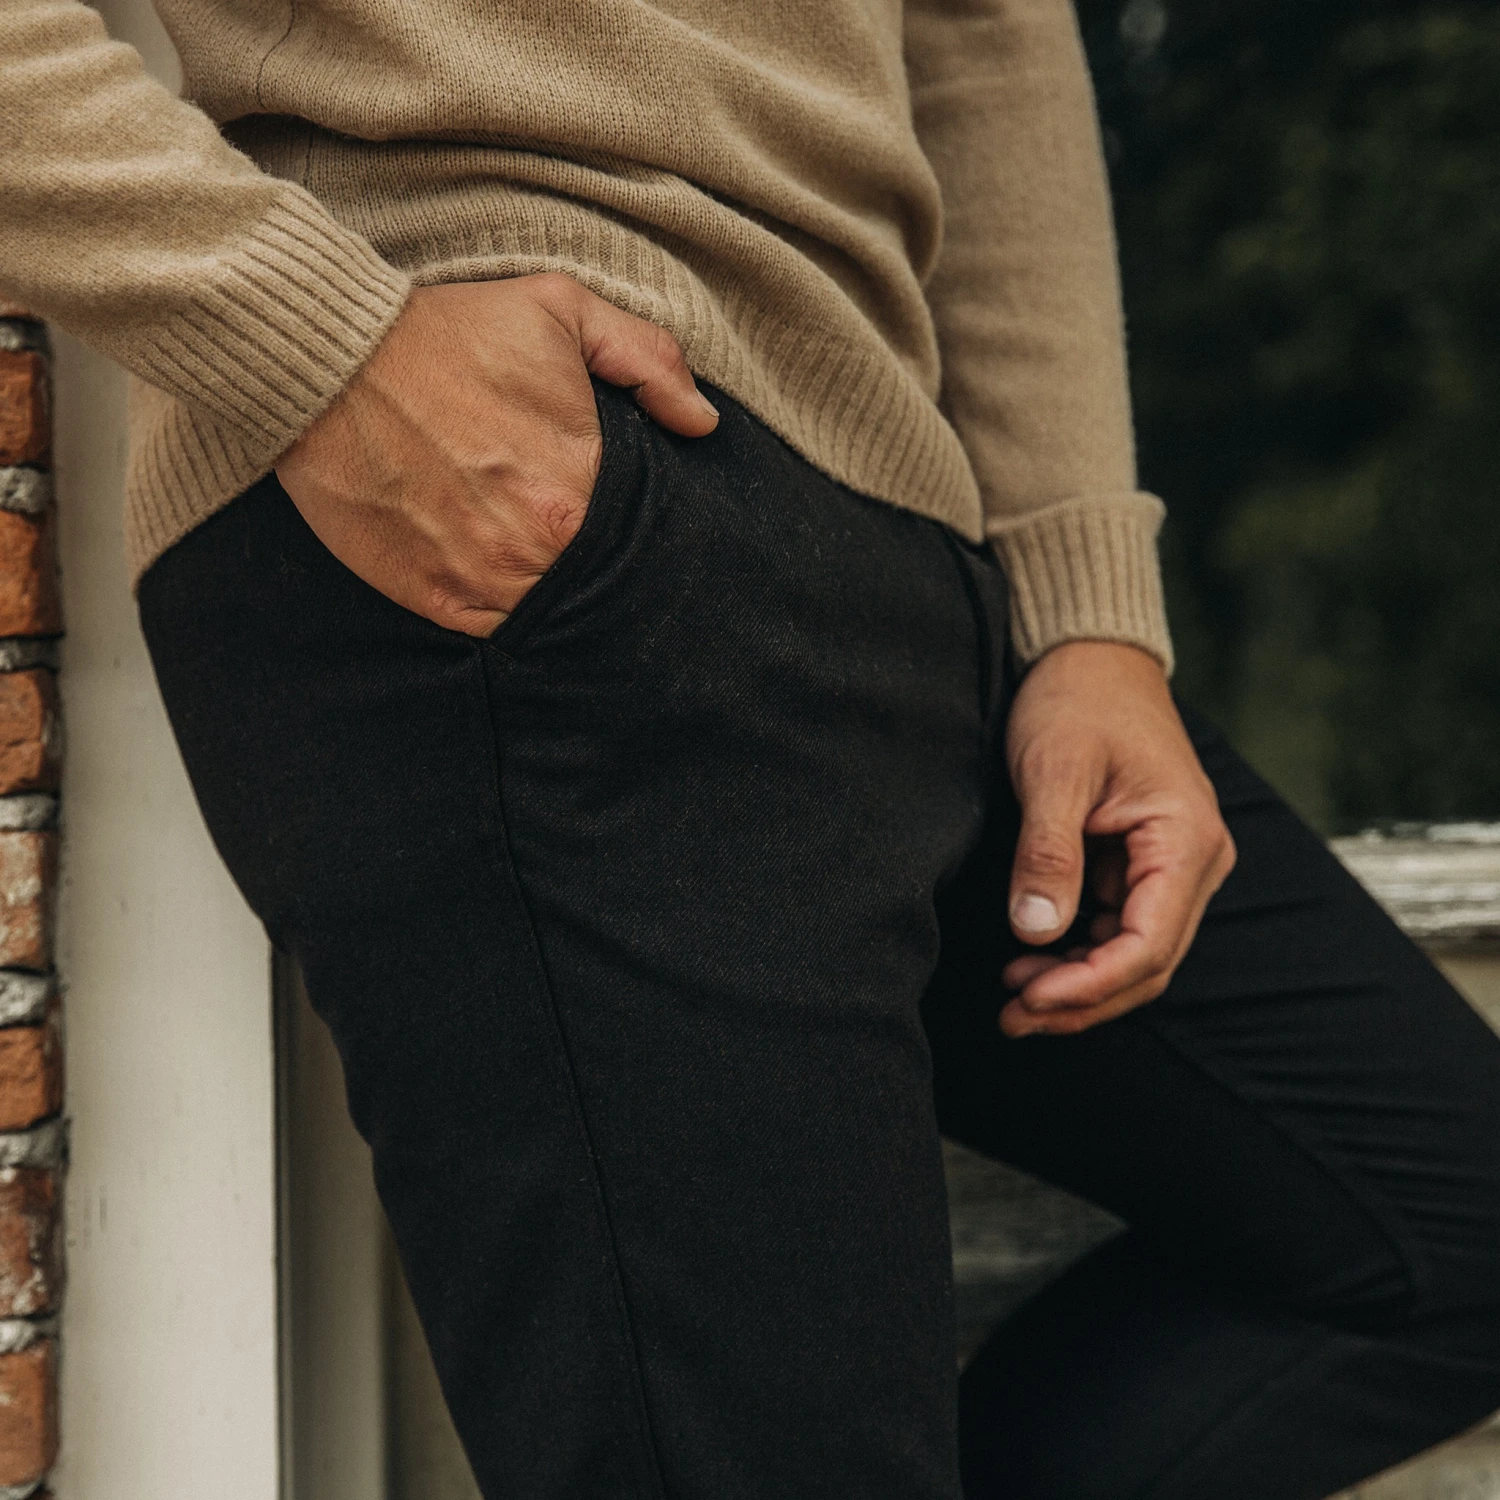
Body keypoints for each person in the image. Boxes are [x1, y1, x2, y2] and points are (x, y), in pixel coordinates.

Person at [4, 0, 1499, 1495]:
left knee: (1444, 1238)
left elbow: (989, 30)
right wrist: (320, 338)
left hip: (908, 518)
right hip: (532, 494)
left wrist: (1084, 604)